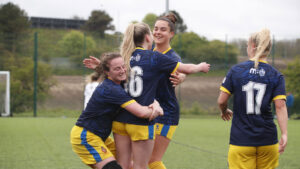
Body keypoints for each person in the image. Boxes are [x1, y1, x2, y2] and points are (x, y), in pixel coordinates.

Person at [84, 22, 210, 169]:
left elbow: (112, 72)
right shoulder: (153, 57)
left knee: (123, 165)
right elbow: (186, 68)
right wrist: (200, 66)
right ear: (147, 38)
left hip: (120, 120)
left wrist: (100, 66)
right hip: (140, 122)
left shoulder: (123, 57)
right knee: (142, 166)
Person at [70, 52, 163, 169]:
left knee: (128, 165)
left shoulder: (119, 83)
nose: (123, 70)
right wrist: (158, 109)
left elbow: (143, 93)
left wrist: (154, 102)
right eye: (117, 68)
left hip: (99, 137)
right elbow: (141, 112)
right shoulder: (112, 89)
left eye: (123, 66)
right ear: (107, 72)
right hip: (85, 136)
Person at [217, 29, 288, 169]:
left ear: (253, 46)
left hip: (241, 141)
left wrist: (224, 110)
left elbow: (221, 101)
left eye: (247, 45)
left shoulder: (236, 70)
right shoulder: (276, 75)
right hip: (268, 141)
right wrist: (284, 133)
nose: (246, 48)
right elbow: (280, 107)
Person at [148, 13, 186, 169]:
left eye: (163, 29)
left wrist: (182, 76)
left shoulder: (173, 57)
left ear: (171, 34)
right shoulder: (147, 52)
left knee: (153, 161)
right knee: (136, 159)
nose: (157, 32)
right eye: (155, 28)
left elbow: (182, 70)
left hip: (166, 113)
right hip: (146, 111)